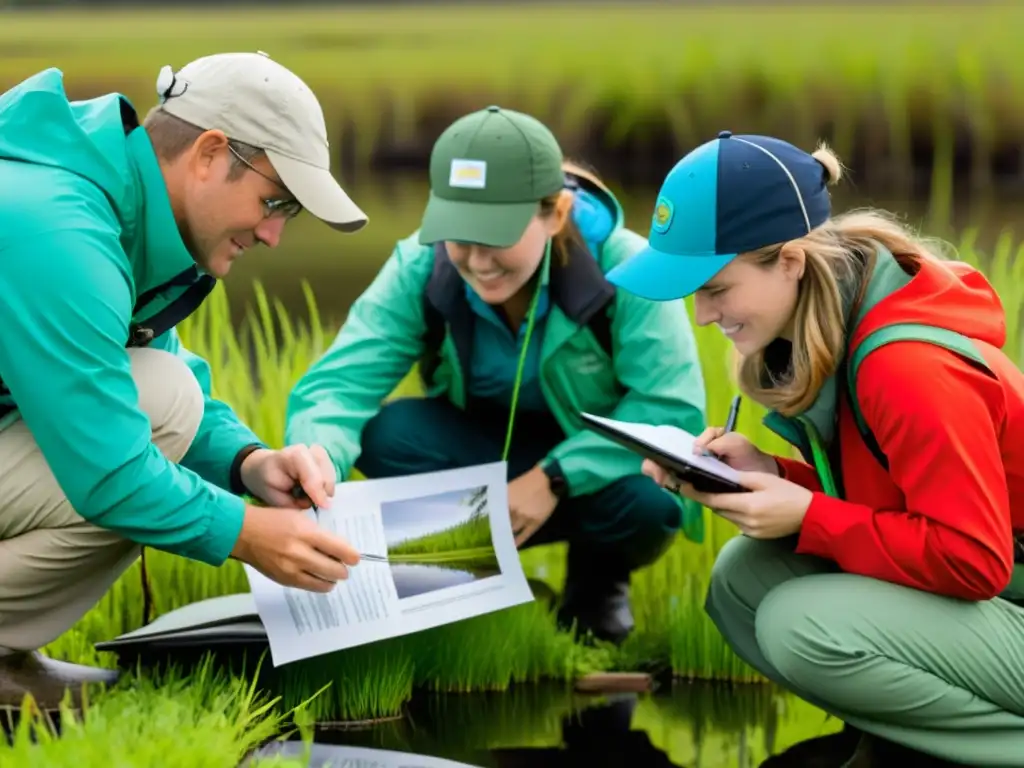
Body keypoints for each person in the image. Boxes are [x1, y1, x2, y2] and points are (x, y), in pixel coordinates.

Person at [606, 130, 1024, 766]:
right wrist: (774, 474)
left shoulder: (908, 368)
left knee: (800, 626)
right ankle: (901, 744)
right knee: (741, 583)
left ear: (792, 262)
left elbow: (973, 559)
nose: (701, 315)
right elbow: (896, 496)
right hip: (1000, 601)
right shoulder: (837, 324)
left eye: (716, 288)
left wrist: (808, 516)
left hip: (1000, 587)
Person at [0, 52, 370, 709]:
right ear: (208, 153)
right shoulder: (58, 228)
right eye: (274, 200)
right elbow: (110, 471)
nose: (275, 234)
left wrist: (249, 463)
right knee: (151, 424)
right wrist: (250, 536)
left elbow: (150, 368)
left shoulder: (114, 202)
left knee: (168, 395)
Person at [285, 106, 708, 645]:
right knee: (386, 436)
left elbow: (671, 410)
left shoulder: (627, 267)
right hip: (480, 449)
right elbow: (340, 384)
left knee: (652, 504)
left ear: (554, 214)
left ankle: (598, 585)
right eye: (460, 236)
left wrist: (555, 477)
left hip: (592, 468)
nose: (477, 260)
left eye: (495, 237)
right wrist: (315, 458)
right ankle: (469, 582)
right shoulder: (422, 265)